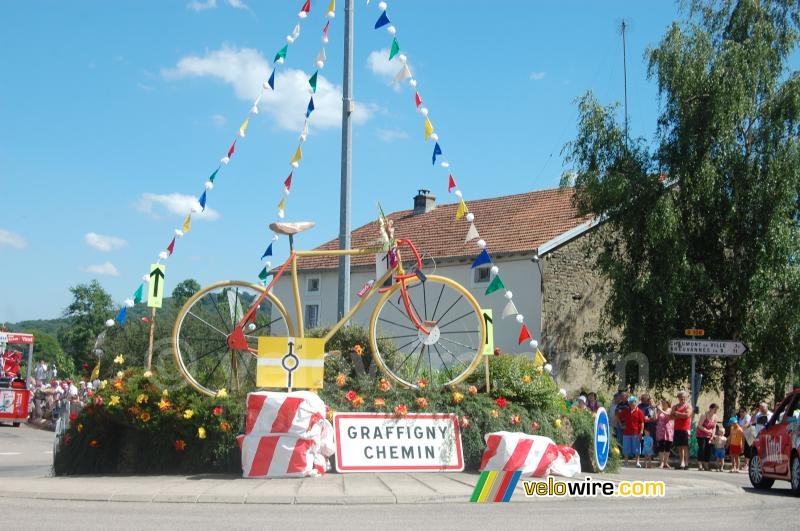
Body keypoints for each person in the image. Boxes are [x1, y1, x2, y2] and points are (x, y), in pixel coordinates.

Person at [671, 391, 693, 470]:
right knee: (680, 447)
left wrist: (677, 414)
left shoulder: (688, 406)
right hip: (677, 428)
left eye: (684, 398)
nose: (682, 400)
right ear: (678, 398)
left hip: (685, 428)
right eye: (681, 398)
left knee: (685, 446)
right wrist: (680, 415)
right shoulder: (675, 406)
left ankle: (686, 463)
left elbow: (687, 415)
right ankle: (681, 462)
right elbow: (671, 417)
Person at [621, 395, 645, 467]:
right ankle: (626, 461)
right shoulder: (626, 410)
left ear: (636, 402)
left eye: (633, 402)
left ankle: (637, 462)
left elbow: (642, 422)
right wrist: (621, 424)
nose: (631, 403)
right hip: (626, 433)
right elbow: (618, 416)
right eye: (630, 402)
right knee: (626, 448)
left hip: (636, 433)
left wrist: (641, 432)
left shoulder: (639, 412)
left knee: (637, 448)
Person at [695, 403, 718, 471]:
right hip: (701, 434)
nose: (715, 410)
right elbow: (699, 425)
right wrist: (707, 431)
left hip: (709, 435)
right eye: (715, 409)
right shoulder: (704, 415)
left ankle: (706, 464)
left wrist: (713, 435)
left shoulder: (715, 416)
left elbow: (714, 427)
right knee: (702, 448)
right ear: (710, 408)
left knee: (708, 450)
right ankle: (700, 464)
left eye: (716, 409)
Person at [655, 397, 674, 469]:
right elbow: (656, 418)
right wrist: (655, 409)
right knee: (661, 446)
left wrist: (660, 410)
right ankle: (661, 463)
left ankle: (666, 462)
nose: (663, 404)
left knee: (667, 447)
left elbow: (668, 415)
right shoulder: (660, 410)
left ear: (667, 403)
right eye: (662, 402)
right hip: (660, 430)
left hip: (668, 429)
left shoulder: (670, 410)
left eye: (664, 402)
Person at [637, 393, 657, 464]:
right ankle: (645, 454)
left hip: (652, 426)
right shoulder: (640, 406)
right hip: (644, 425)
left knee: (652, 440)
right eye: (642, 399)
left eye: (644, 399)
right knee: (645, 441)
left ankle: (651, 455)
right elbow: (644, 417)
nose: (642, 400)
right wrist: (648, 419)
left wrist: (650, 419)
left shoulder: (653, 408)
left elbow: (655, 418)